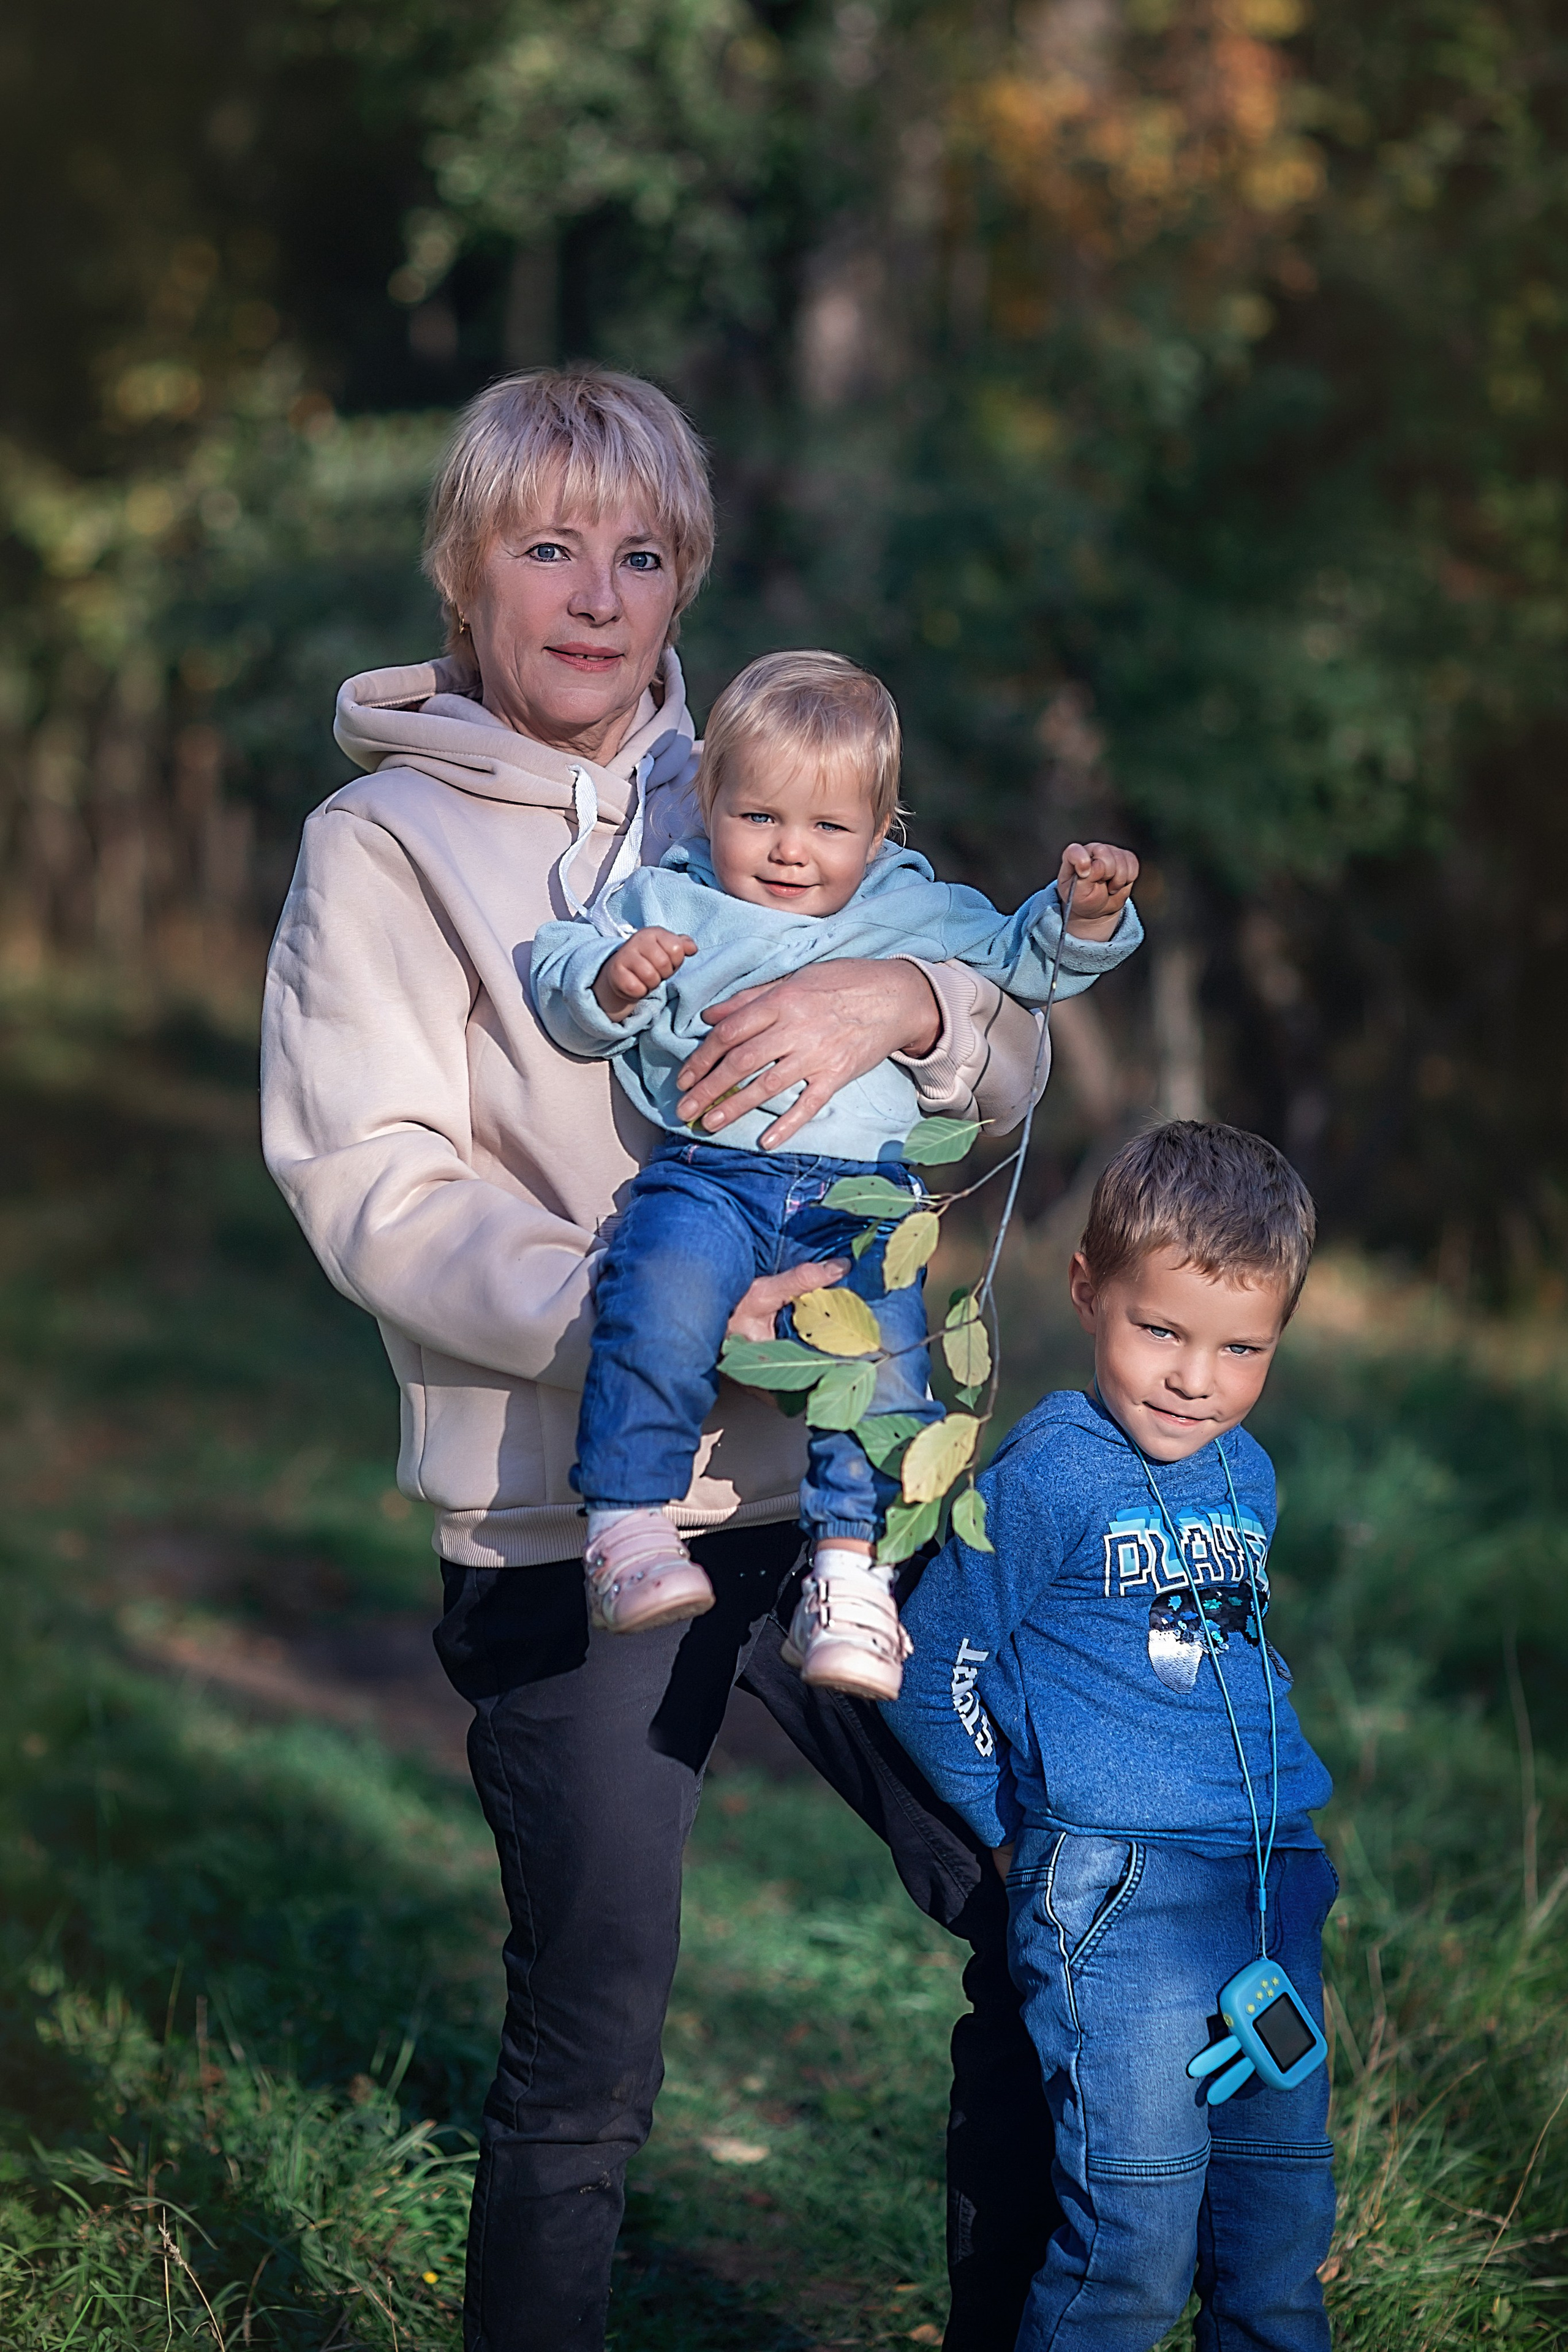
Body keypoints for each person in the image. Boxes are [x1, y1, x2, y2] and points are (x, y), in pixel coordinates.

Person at [259, 365, 1122, 2351]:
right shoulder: (380, 848)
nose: (593, 593)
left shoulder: (766, 766)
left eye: (639, 553)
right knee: (591, 2051)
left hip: (844, 1482)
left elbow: (1003, 1058)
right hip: (576, 1511)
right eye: (545, 546)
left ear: (687, 583)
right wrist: (641, 1310)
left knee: (1045, 1902)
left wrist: (890, 996)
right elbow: (370, 1180)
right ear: (461, 576)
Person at [529, 647, 1140, 1697]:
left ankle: (850, 1577)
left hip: (860, 1197)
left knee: (889, 1356)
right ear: (709, 798)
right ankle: (628, 1528)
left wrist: (1080, 915)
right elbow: (560, 968)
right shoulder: (668, 897)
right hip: (709, 1174)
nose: (790, 854)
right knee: (656, 1298)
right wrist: (610, 978)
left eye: (830, 828)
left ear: (883, 826)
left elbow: (1019, 967)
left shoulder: (915, 907)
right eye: (759, 817)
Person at [884, 1121, 1337, 2352]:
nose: (1195, 1377)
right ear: (1087, 1292)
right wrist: (1004, 1832)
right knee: (1130, 2242)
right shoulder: (1047, 1473)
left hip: (1264, 1882)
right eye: (1162, 1331)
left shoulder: (1245, 1478)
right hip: (1113, 1892)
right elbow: (934, 1670)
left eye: (1239, 1347)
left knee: (1277, 2231)